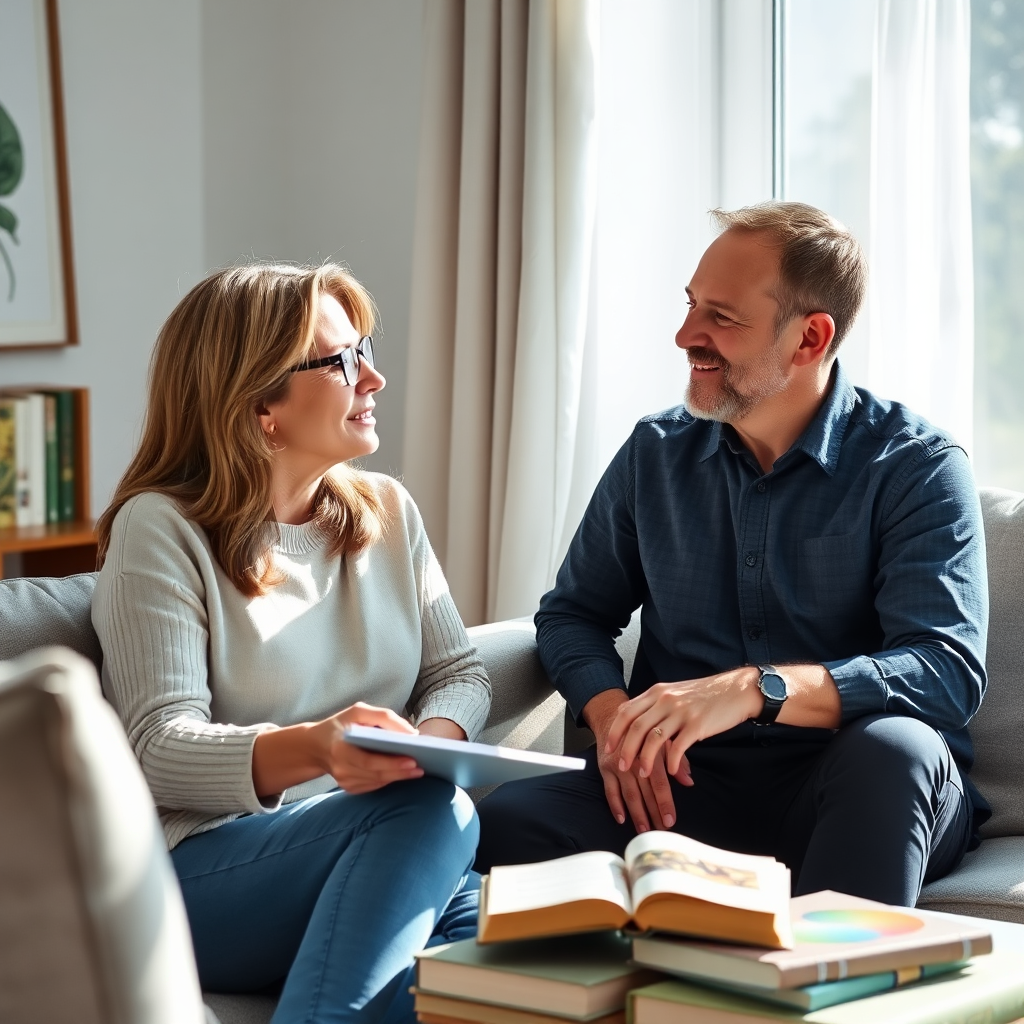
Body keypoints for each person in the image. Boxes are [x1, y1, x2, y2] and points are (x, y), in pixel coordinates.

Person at [474, 202, 988, 907]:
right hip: (686, 792)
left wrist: (757, 688)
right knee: (501, 824)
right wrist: (614, 719)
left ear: (810, 338)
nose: (687, 335)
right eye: (690, 305)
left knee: (895, 752)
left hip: (850, 788)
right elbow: (572, 616)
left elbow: (944, 671)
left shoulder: (917, 466)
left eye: (722, 317)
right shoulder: (652, 456)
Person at [92, 263, 491, 1024]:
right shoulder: (161, 528)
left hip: (373, 840)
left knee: (506, 960)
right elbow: (157, 745)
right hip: (200, 872)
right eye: (341, 361)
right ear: (259, 404)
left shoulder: (389, 513)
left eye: (365, 349)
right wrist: (321, 748)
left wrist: (425, 751)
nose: (372, 377)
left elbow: (460, 673)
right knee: (432, 814)